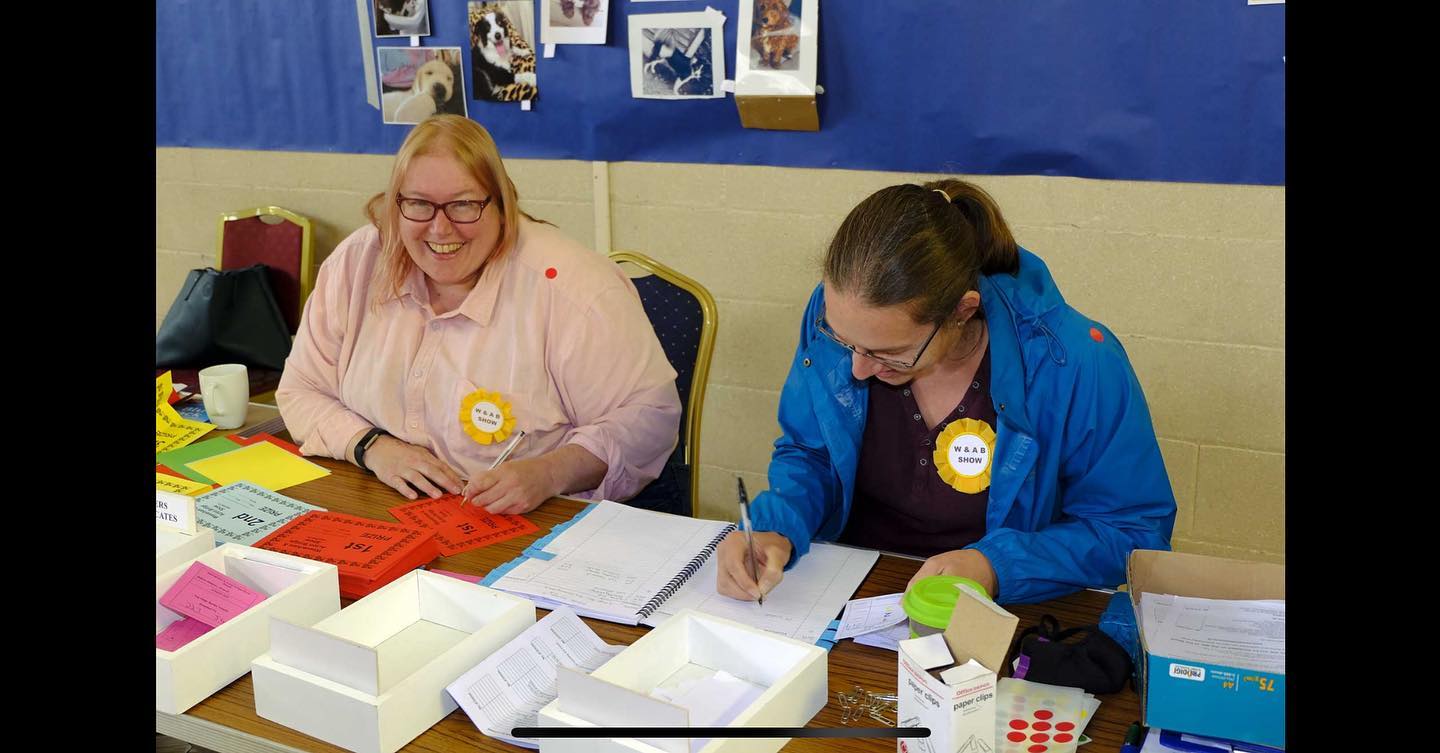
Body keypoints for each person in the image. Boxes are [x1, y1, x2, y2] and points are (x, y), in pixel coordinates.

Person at [715, 179, 1176, 604]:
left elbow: (1131, 529)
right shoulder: (841, 320)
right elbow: (810, 454)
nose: (858, 367)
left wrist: (996, 566)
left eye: (891, 354)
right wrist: (777, 528)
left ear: (962, 310)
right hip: (851, 589)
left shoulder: (1075, 361)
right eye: (845, 342)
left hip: (999, 608)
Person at [277, 115, 682, 515]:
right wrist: (373, 447)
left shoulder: (573, 288)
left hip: (531, 523)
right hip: (375, 501)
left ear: (501, 205)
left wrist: (548, 473)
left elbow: (648, 419)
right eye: (419, 204)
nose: (440, 229)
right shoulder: (358, 262)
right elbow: (301, 389)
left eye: (464, 205)